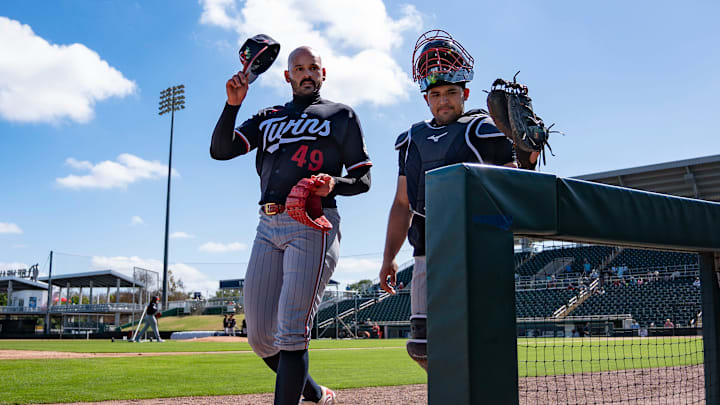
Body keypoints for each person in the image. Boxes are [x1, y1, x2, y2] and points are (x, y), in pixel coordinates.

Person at [210, 45, 372, 405]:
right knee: (260, 338)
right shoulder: (269, 115)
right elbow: (221, 150)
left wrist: (334, 183)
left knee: (291, 332)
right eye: (299, 68)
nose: (306, 73)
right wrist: (232, 104)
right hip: (267, 224)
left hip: (314, 222)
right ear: (287, 76)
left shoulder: (340, 115)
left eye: (313, 67)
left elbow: (363, 180)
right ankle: (317, 394)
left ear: (323, 73)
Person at [378, 29, 538, 371]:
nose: (444, 100)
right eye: (435, 94)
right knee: (421, 347)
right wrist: (389, 257)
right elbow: (402, 203)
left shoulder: (487, 128)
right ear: (426, 98)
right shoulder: (411, 139)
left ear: (465, 92)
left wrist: (527, 156)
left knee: (479, 337)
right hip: (426, 250)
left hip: (476, 247)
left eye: (451, 92)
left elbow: (518, 184)